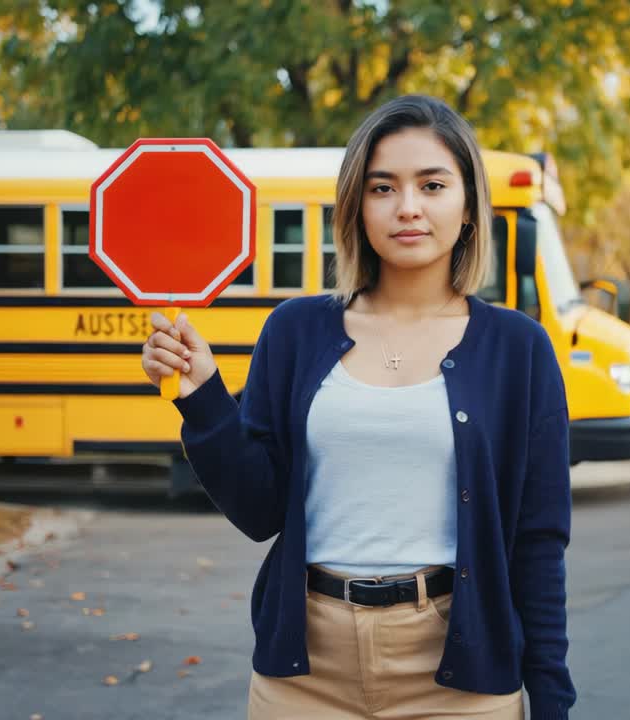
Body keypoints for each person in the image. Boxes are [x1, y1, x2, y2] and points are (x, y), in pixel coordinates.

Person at [140, 94, 575, 719]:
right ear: (356, 205)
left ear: (468, 204)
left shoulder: (519, 349)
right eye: (382, 187)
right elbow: (260, 508)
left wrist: (554, 703)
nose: (408, 208)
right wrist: (203, 396)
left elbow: (537, 544)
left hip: (460, 675)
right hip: (306, 673)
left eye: (432, 184)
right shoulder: (295, 331)